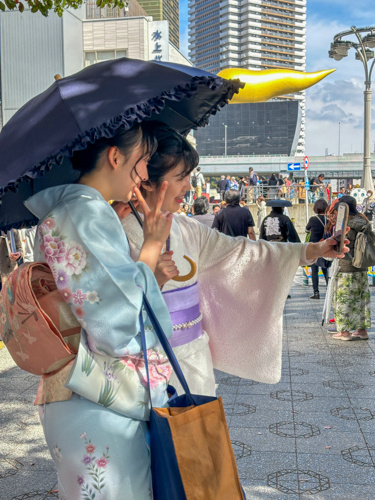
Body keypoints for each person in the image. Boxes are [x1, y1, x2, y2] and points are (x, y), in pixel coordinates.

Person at [120, 123, 348, 400]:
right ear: (147, 178)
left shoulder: (187, 228)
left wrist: (315, 249)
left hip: (194, 360)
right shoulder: (115, 230)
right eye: (181, 176)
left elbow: (245, 252)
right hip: (143, 366)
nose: (189, 186)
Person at [23, 123, 176, 499]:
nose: (143, 175)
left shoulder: (72, 211)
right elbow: (119, 323)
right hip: (96, 397)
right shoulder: (84, 214)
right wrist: (151, 248)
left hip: (82, 390)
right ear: (115, 156)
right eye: (142, 163)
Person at [330, 196, 371, 340]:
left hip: (346, 266)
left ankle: (344, 332)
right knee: (361, 298)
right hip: (362, 266)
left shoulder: (346, 225)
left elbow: (339, 245)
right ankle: (362, 330)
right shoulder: (364, 222)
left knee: (343, 298)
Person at [305, 199, 329, 299]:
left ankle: (316, 293)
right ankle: (329, 290)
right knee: (325, 269)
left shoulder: (313, 219)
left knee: (314, 270)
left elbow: (306, 229)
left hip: (314, 247)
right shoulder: (328, 219)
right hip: (324, 246)